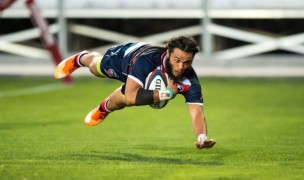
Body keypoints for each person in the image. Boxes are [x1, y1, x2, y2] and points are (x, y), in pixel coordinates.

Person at [54, 36, 216, 149]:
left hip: (140, 78)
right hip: (126, 58)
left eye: (187, 62)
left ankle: (103, 108)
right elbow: (133, 97)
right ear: (168, 53)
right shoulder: (146, 60)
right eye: (177, 60)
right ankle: (80, 58)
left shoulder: (190, 80)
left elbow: (196, 112)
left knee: (120, 102)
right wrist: (167, 93)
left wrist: (202, 138)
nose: (181, 67)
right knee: (95, 69)